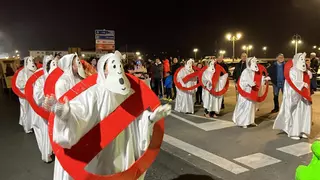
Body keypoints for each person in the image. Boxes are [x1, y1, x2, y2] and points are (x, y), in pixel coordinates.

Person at [44, 51, 171, 180]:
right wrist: (62, 111)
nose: (118, 71)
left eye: (119, 66)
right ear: (103, 71)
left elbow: (137, 121)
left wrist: (150, 118)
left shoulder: (129, 93)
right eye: (113, 67)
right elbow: (79, 112)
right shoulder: (94, 93)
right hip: (100, 154)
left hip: (124, 151)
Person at [43, 53, 87, 179]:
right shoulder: (62, 83)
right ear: (70, 65)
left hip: (81, 123)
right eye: (76, 62)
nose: (79, 64)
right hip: (68, 125)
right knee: (68, 161)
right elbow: (60, 108)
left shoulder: (80, 79)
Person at [273, 53, 312, 140]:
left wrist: (308, 75)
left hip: (303, 96)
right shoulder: (293, 70)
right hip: (295, 95)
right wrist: (302, 84)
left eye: (303, 60)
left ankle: (303, 130)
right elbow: (293, 82)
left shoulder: (304, 71)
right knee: (296, 112)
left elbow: (307, 81)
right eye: (301, 59)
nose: (303, 62)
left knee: (304, 112)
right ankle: (294, 131)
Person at [32, 55, 57, 163]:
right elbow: (37, 97)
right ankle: (47, 154)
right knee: (46, 133)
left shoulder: (59, 78)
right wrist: (46, 95)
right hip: (44, 111)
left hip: (56, 110)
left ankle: (56, 151)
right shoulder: (40, 80)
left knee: (56, 132)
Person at [232, 57, 270, 128]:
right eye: (253, 62)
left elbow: (258, 79)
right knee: (244, 107)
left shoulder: (255, 72)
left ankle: (250, 121)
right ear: (249, 63)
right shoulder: (245, 71)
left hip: (252, 93)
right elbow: (242, 82)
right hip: (246, 94)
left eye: (255, 62)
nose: (255, 63)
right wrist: (249, 83)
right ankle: (242, 122)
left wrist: (264, 79)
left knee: (251, 107)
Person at [16, 56, 37, 133]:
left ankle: (32, 125)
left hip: (32, 95)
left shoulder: (34, 71)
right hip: (24, 95)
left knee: (32, 111)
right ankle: (26, 126)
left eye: (32, 60)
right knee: (25, 110)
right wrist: (27, 84)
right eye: (30, 61)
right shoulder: (22, 72)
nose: (32, 62)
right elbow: (18, 83)